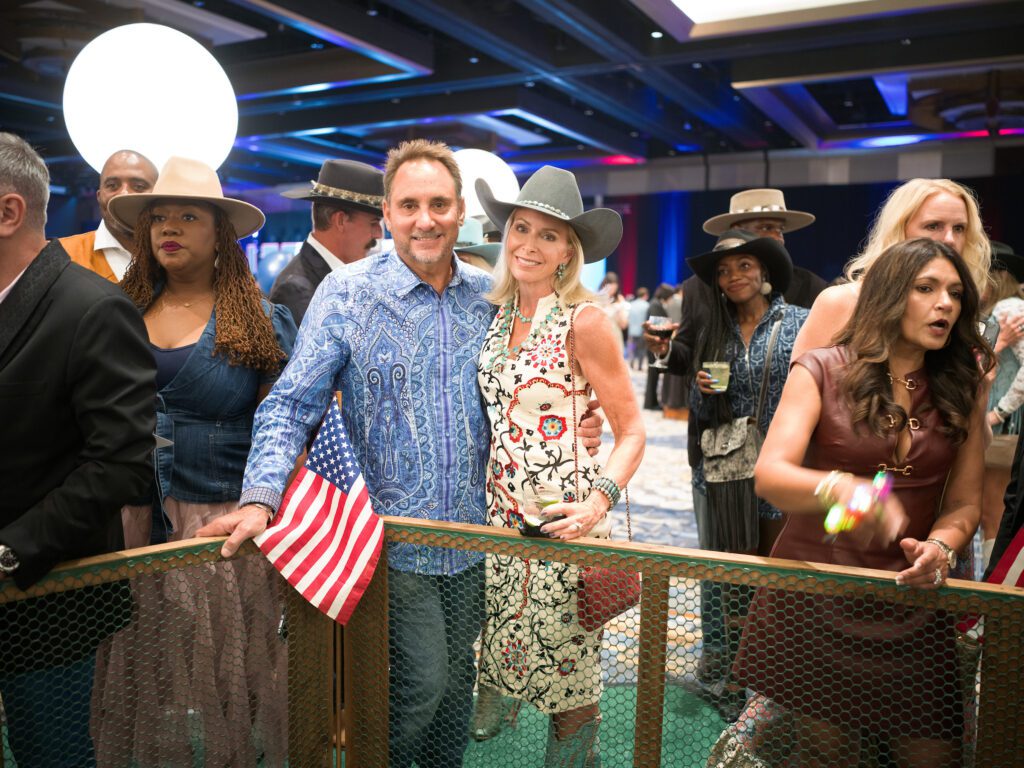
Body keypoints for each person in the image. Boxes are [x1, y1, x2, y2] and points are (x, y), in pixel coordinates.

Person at [198, 139, 603, 768]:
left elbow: (528, 387)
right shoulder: (346, 294)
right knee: (421, 686)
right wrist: (260, 496)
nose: (425, 218)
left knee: (452, 700)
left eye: (438, 203)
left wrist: (581, 421)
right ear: (386, 213)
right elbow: (289, 405)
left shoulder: (489, 298)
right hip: (390, 542)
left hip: (478, 540)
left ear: (460, 209)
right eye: (409, 204)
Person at [730, 237, 989, 767]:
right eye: (927, 289)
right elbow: (771, 475)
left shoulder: (963, 384)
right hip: (816, 595)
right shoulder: (821, 369)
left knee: (935, 756)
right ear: (891, 294)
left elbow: (965, 502)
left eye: (956, 294)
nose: (946, 304)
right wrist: (843, 489)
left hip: (914, 603)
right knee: (830, 757)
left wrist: (942, 545)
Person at [93, 156, 297, 766]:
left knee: (231, 674)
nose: (168, 228)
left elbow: (285, 428)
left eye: (187, 215)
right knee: (144, 671)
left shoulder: (260, 320)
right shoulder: (116, 312)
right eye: (158, 218)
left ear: (220, 232)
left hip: (223, 526)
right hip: (135, 525)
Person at [473, 166, 644, 764]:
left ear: (569, 252)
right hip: (501, 529)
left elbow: (632, 432)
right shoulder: (495, 319)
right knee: (512, 652)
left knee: (570, 679)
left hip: (564, 527)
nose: (529, 243)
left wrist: (597, 502)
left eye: (548, 235)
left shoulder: (585, 321)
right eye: (520, 228)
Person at [0, 133, 156, 767]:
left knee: (52, 757)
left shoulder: (93, 307)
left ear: (9, 212)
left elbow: (119, 462)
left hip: (47, 592)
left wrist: (11, 552)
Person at [791, 178, 992, 360]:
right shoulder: (844, 301)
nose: (950, 239)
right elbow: (798, 391)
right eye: (933, 226)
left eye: (959, 228)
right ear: (900, 230)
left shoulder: (955, 310)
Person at [269, 158, 384, 324]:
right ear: (340, 221)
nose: (379, 234)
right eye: (374, 223)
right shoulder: (296, 289)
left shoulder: (331, 277)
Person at [702, 187, 827, 310]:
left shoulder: (811, 286)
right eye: (766, 228)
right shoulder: (697, 290)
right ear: (736, 230)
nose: (778, 238)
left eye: (781, 230)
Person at [979, 241, 1024, 568]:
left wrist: (997, 413)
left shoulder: (1007, 309)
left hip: (1004, 428)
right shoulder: (1008, 307)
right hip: (1006, 426)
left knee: (992, 511)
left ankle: (990, 593)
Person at [59, 149, 159, 282]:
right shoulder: (62, 255)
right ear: (99, 197)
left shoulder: (179, 257)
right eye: (112, 186)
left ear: (159, 196)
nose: (124, 194)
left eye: (139, 186)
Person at [627, 286, 650, 370]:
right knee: (641, 349)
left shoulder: (632, 304)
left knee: (632, 348)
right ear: (645, 295)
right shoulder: (647, 305)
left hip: (632, 331)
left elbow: (628, 317)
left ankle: (632, 363)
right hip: (642, 331)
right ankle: (640, 366)